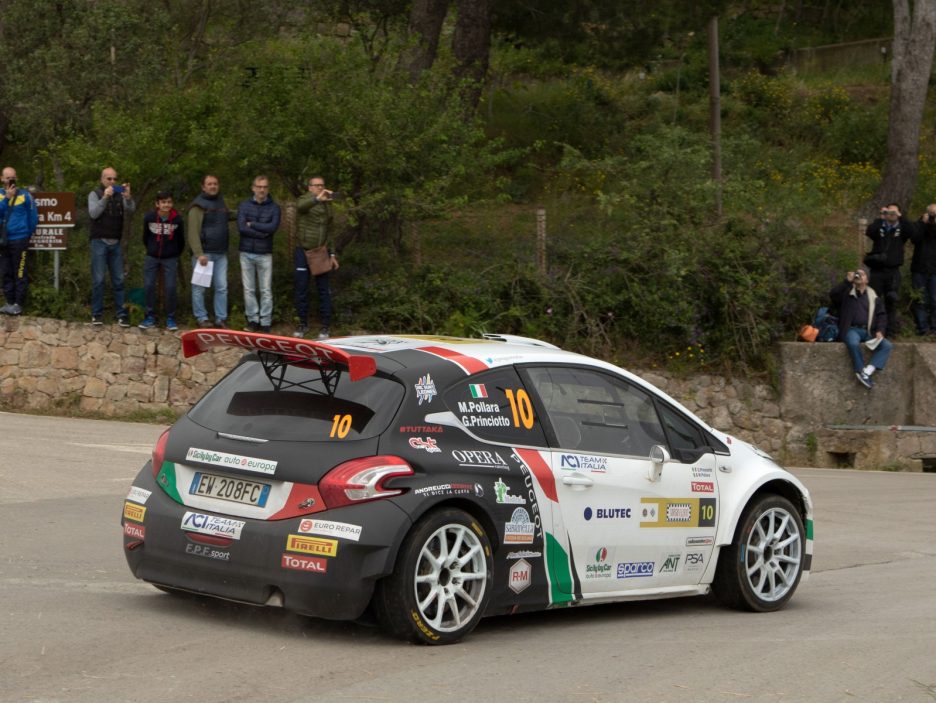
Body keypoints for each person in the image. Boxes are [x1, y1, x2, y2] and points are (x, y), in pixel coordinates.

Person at [829, 266, 893, 389]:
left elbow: (881, 316)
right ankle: (859, 370)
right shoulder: (847, 293)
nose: (858, 275)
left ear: (867, 280)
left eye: (862, 274)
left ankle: (866, 372)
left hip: (868, 331)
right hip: (851, 329)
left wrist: (880, 330)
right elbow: (833, 295)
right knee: (853, 342)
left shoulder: (873, 296)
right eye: (857, 273)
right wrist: (846, 281)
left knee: (887, 345)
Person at [293, 176, 339, 338]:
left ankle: (325, 326)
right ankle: (302, 324)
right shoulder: (304, 200)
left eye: (322, 185)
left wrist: (332, 254)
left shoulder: (328, 205)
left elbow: (330, 231)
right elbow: (300, 207)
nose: (320, 188)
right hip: (303, 251)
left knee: (323, 290)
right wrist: (317, 199)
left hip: (320, 252)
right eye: (316, 185)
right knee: (301, 289)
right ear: (310, 188)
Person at [88, 167, 135, 326]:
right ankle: (96, 314)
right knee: (99, 280)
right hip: (99, 242)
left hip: (115, 243)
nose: (112, 182)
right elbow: (93, 213)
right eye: (109, 179)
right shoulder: (94, 194)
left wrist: (128, 198)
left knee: (119, 280)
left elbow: (131, 209)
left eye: (115, 179)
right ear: (102, 180)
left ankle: (122, 315)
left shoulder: (120, 195)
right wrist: (105, 198)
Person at [188, 174, 232, 329]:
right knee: (199, 288)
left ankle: (221, 319)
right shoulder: (197, 206)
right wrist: (199, 253)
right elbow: (193, 232)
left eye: (215, 183)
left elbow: (228, 216)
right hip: (204, 254)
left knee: (221, 287)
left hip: (221, 253)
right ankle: (202, 318)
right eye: (209, 184)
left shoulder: (221, 202)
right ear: (203, 187)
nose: (213, 186)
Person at [237, 175, 280, 333]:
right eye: (259, 186)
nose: (262, 190)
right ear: (253, 188)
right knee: (249, 289)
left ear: (268, 189)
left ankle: (265, 321)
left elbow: (273, 228)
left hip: (265, 254)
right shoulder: (244, 205)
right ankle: (253, 320)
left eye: (265, 187)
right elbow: (241, 228)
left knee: (265, 290)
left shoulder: (274, 207)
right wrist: (262, 232)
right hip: (246, 253)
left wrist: (253, 224)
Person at [864, 203, 912, 338]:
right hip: (877, 271)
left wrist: (900, 217)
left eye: (893, 212)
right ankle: (874, 330)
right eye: (888, 212)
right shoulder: (880, 226)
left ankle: (890, 331)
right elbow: (869, 231)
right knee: (874, 300)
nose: (890, 215)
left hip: (893, 271)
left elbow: (911, 232)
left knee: (891, 300)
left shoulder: (901, 229)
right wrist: (881, 217)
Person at [139, 191, 185, 331]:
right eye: (163, 202)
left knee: (170, 287)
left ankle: (170, 317)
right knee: (149, 285)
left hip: (170, 258)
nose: (166, 205)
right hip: (152, 256)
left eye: (169, 202)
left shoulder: (177, 219)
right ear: (157, 204)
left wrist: (174, 253)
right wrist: (152, 249)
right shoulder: (149, 218)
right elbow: (145, 237)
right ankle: (149, 316)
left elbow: (181, 240)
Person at [0, 166, 38, 315]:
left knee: (20, 272)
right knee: (5, 272)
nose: (10, 180)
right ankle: (9, 302)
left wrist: (26, 234)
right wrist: (7, 199)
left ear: (16, 178)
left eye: (12, 177)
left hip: (19, 240)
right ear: (2, 179)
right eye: (7, 177)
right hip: (3, 241)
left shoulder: (25, 195)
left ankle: (18, 304)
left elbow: (33, 217)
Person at [910, 204, 936, 336]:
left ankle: (934, 328)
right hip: (919, 268)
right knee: (920, 299)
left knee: (934, 299)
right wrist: (922, 223)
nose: (933, 217)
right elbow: (914, 239)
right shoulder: (920, 223)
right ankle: (923, 328)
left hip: (935, 270)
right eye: (932, 213)